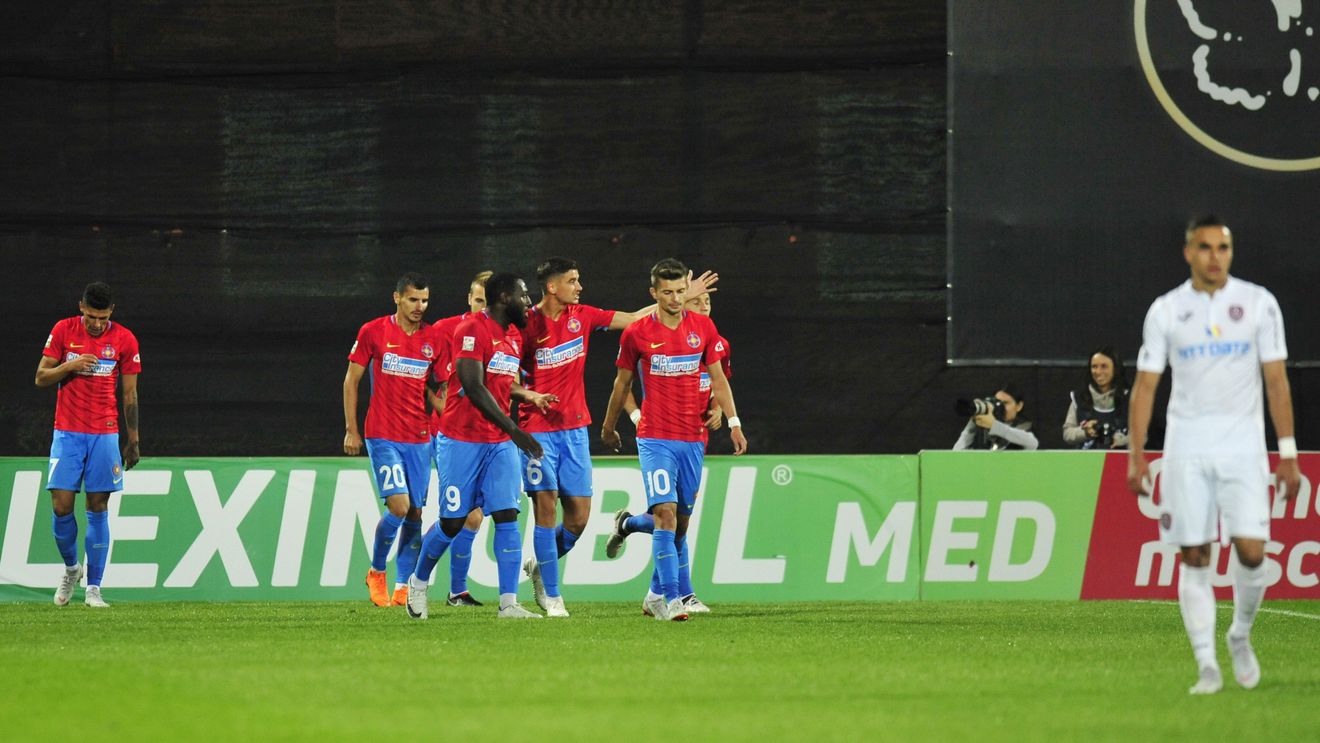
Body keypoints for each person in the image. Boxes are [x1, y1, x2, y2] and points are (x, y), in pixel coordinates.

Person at [1127, 215, 1300, 695]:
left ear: (1230, 252)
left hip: (1243, 445)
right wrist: (1136, 454)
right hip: (1187, 445)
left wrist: (1287, 452)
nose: (1214, 257)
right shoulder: (1166, 310)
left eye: (1222, 248)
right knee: (1195, 555)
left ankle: (1240, 634)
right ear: (1188, 253)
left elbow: (1276, 381)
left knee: (1251, 551)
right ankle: (1206, 664)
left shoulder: (1259, 303)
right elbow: (1145, 386)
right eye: (1205, 247)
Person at [516, 257, 716, 618]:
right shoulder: (527, 325)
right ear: (552, 287)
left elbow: (634, 319)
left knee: (578, 519)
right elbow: (504, 376)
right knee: (545, 507)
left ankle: (540, 566)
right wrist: (528, 396)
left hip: (575, 428)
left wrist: (683, 297)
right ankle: (553, 596)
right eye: (573, 281)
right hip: (536, 430)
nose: (579, 287)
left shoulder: (584, 316)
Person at [600, 258, 747, 621]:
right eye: (667, 292)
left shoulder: (704, 328)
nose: (676, 298)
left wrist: (733, 421)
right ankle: (671, 599)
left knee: (679, 524)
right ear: (654, 293)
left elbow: (718, 380)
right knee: (665, 514)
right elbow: (622, 384)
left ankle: (649, 584)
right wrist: (609, 425)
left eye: (681, 291)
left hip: (693, 440)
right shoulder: (636, 334)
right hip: (656, 439)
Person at [405, 273, 551, 620]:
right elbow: (472, 385)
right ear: (503, 298)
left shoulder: (515, 336)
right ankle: (418, 583)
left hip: (498, 442)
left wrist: (514, 417)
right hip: (461, 441)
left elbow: (501, 387)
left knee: (506, 515)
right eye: (523, 295)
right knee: (453, 522)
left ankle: (509, 603)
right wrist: (514, 429)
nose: (528, 302)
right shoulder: (471, 330)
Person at [36, 281, 142, 608]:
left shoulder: (124, 339)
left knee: (98, 507)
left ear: (111, 311)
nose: (96, 323)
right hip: (67, 432)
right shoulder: (64, 330)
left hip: (104, 433)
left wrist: (133, 439)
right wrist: (71, 364)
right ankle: (71, 569)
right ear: (81, 306)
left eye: (102, 317)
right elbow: (41, 376)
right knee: (61, 506)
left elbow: (129, 394)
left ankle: (93, 588)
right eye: (91, 316)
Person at [343, 273, 438, 608]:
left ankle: (403, 586)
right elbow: (351, 380)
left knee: (415, 513)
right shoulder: (374, 331)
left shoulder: (433, 337)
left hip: (420, 437)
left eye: (424, 300)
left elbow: (437, 388)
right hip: (383, 434)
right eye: (413, 299)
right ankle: (376, 571)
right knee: (398, 506)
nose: (419, 307)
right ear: (396, 298)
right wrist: (351, 429)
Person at [425, 270, 492, 608]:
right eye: (478, 300)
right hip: (450, 435)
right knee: (458, 516)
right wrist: (444, 408)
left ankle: (455, 591)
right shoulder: (445, 330)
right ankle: (415, 579)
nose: (482, 307)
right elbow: (424, 376)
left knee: (473, 516)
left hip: (484, 437)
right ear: (469, 298)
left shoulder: (503, 333)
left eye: (488, 301)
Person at [1062, 346, 1130, 450]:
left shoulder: (1130, 398)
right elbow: (1067, 433)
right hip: (1086, 461)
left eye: (1104, 366)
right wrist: (1085, 432)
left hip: (1121, 461)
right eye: (1094, 366)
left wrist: (1123, 440)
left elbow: (1143, 435)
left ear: (1116, 369)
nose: (1098, 372)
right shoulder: (1080, 397)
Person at [952, 385, 1039, 450]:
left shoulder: (1024, 427)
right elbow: (957, 454)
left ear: (1019, 406)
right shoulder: (984, 430)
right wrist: (973, 421)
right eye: (997, 401)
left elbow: (1032, 443)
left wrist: (994, 425)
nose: (1000, 406)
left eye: (1005, 403)